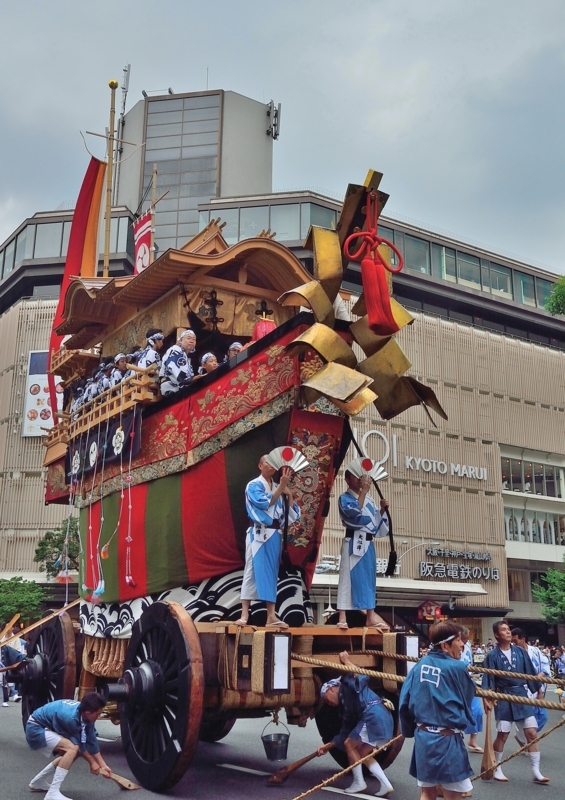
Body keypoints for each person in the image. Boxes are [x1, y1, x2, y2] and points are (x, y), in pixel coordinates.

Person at [399, 621, 476, 800]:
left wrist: (409, 730)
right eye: (458, 640)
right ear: (445, 645)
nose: (462, 644)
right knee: (453, 795)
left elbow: (405, 700)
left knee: (427, 793)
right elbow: (467, 696)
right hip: (447, 740)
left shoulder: (420, 664)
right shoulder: (457, 668)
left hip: (424, 738)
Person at [317, 651, 395, 796]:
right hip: (380, 718)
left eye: (326, 698)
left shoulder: (347, 683)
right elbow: (344, 733)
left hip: (373, 715)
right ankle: (385, 784)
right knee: (360, 753)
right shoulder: (346, 709)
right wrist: (327, 746)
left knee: (349, 744)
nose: (328, 703)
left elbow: (363, 675)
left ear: (331, 688)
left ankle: (359, 782)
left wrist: (346, 661)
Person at [238, 455, 300, 628]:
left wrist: (289, 495)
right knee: (251, 570)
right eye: (267, 462)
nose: (271, 466)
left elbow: (290, 515)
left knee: (271, 572)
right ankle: (244, 613)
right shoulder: (253, 485)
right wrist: (281, 488)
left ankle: (271, 616)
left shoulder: (276, 487)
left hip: (274, 533)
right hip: (258, 532)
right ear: (260, 466)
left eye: (273, 463)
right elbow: (264, 503)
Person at [482, 620, 547, 783]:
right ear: (497, 635)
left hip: (520, 694)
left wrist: (538, 690)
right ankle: (497, 767)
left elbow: (530, 673)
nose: (508, 632)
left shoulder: (520, 652)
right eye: (503, 630)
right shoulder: (492, 655)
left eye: (508, 629)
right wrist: (487, 696)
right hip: (503, 695)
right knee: (503, 734)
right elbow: (488, 678)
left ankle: (536, 771)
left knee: (531, 733)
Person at [26, 693, 112, 799]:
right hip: (35, 728)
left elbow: (91, 740)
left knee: (72, 753)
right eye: (98, 714)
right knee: (72, 748)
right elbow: (79, 745)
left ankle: (37, 782)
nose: (99, 716)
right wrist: (92, 762)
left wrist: (103, 765)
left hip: (45, 728)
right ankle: (52, 793)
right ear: (88, 713)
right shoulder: (70, 718)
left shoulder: (86, 714)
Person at [336, 467, 389, 630]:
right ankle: (342, 616)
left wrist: (382, 509)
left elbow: (374, 521)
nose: (360, 480)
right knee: (347, 578)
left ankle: (370, 616)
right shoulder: (344, 498)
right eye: (355, 476)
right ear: (347, 480)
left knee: (369, 580)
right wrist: (364, 492)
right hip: (353, 540)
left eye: (361, 477)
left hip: (368, 542)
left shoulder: (370, 499)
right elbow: (352, 513)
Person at [511, 627, 550, 746]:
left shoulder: (535, 651)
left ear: (523, 639)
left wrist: (538, 678)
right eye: (512, 641)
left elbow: (545, 665)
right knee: (528, 719)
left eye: (516, 640)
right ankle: (529, 742)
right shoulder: (513, 653)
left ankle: (523, 737)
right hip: (522, 690)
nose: (514, 643)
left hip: (536, 687)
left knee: (542, 716)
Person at [459, 627, 483, 753]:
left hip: (469, 681)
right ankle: (456, 739)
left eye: (466, 638)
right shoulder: (450, 647)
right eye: (462, 639)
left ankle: (473, 740)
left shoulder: (467, 645)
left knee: (477, 711)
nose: (464, 641)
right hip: (455, 683)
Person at [159, 329, 196, 396]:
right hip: (171, 388)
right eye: (189, 338)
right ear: (181, 340)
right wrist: (187, 380)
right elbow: (172, 367)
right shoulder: (175, 349)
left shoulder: (186, 357)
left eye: (194, 339)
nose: (192, 341)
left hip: (179, 388)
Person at [0, 638, 25, 706]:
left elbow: (17, 656)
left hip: (2, 671)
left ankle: (5, 699)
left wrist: (25, 659)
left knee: (2, 681)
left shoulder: (4, 648)